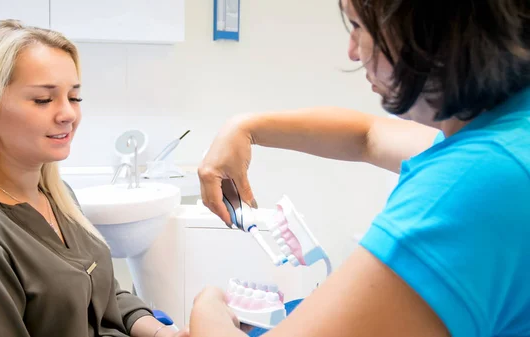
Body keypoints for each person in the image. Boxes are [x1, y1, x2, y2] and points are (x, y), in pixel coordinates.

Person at [191, 0, 530, 336]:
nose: (353, 52)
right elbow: (366, 136)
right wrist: (246, 127)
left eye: (357, 27)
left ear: (421, 30)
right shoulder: (507, 130)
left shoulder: (469, 185)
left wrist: (209, 309)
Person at [0, 20, 187, 337]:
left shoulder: (59, 197)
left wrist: (165, 333)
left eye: (74, 97)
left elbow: (103, 293)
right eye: (43, 99)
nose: (68, 114)